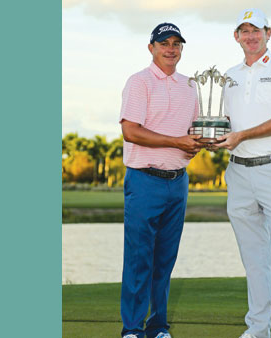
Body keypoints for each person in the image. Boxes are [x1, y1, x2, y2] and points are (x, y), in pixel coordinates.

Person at [214, 8, 271, 338]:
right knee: (253, 255)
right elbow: (226, 123)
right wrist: (214, 136)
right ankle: (257, 328)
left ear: (269, 33)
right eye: (244, 30)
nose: (251, 36)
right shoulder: (229, 75)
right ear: (235, 36)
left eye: (257, 30)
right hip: (238, 172)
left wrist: (242, 135)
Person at [118, 22, 202, 338]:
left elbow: (191, 132)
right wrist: (178, 142)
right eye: (164, 43)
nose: (171, 49)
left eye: (177, 44)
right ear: (151, 47)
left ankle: (157, 327)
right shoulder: (139, 83)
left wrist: (196, 143)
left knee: (164, 260)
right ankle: (131, 329)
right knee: (139, 258)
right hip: (144, 180)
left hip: (178, 182)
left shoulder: (191, 85)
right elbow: (131, 131)